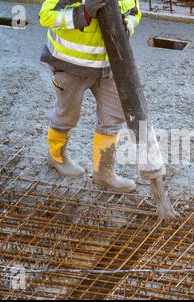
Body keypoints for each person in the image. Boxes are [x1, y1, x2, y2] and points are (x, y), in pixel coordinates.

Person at [38, 0, 141, 192]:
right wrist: (83, 13)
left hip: (109, 65)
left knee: (113, 116)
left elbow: (135, 13)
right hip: (69, 65)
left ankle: (104, 172)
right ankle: (56, 157)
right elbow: (46, 15)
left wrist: (125, 26)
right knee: (67, 115)